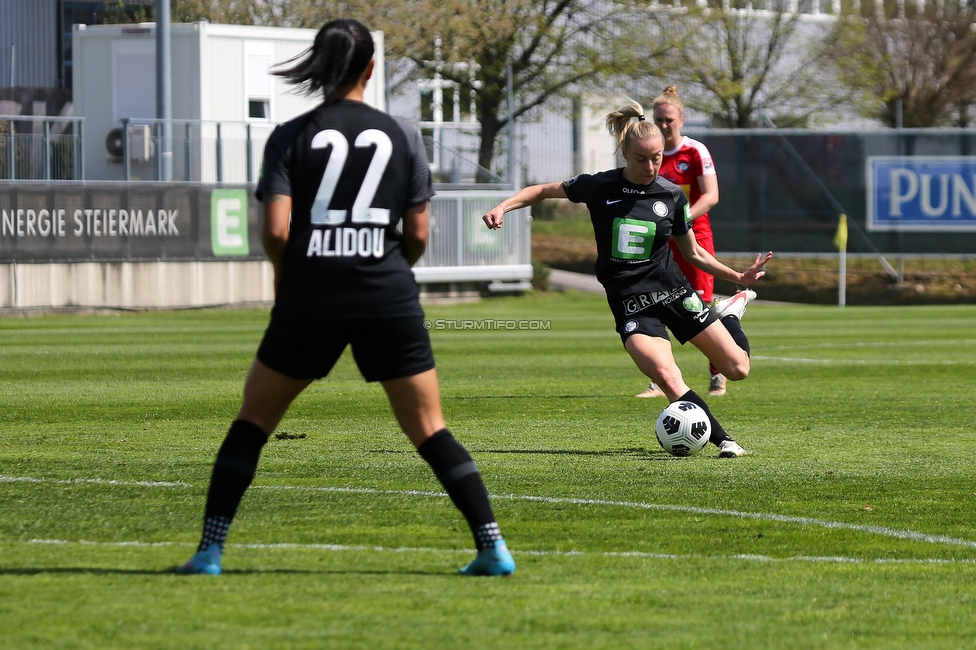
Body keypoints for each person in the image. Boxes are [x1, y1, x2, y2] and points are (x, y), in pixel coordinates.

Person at [177, 19, 514, 577]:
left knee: (254, 420)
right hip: (388, 294)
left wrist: (289, 280)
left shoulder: (290, 134)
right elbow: (420, 235)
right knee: (430, 426)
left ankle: (210, 551)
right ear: (371, 69)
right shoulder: (403, 135)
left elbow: (277, 232)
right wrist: (387, 274)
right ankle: (492, 546)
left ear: (319, 64)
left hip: (311, 293)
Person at [483, 101, 771, 458]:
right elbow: (541, 190)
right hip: (632, 305)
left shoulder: (672, 195)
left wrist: (737, 276)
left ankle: (728, 313)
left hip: (675, 293)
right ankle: (724, 440)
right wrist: (502, 207)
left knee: (738, 369)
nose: (650, 166)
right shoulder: (598, 186)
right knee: (667, 376)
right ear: (625, 153)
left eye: (657, 158)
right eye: (641, 159)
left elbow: (694, 253)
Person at [637, 85, 726, 398]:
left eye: (669, 119)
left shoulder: (694, 151)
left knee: (700, 306)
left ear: (682, 120)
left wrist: (680, 220)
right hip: (660, 243)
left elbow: (711, 195)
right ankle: (660, 379)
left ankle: (718, 375)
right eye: (658, 119)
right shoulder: (650, 155)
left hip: (694, 239)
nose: (663, 125)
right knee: (655, 306)